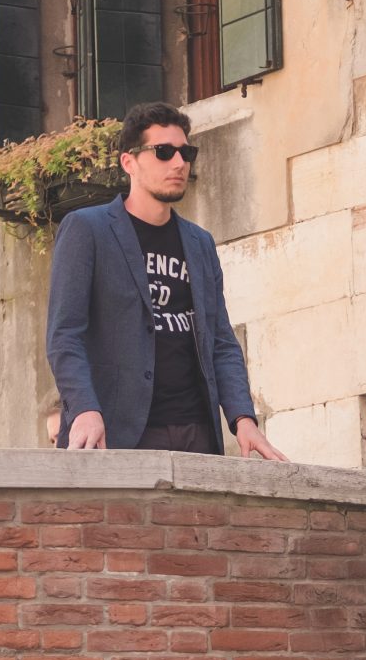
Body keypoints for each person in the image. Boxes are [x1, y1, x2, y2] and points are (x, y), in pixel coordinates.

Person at [45, 103, 287, 459]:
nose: (178, 163)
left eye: (185, 152)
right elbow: (65, 334)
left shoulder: (199, 242)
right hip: (120, 430)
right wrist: (84, 408)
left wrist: (243, 419)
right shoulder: (88, 230)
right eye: (163, 152)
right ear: (129, 162)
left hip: (197, 433)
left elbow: (220, 340)